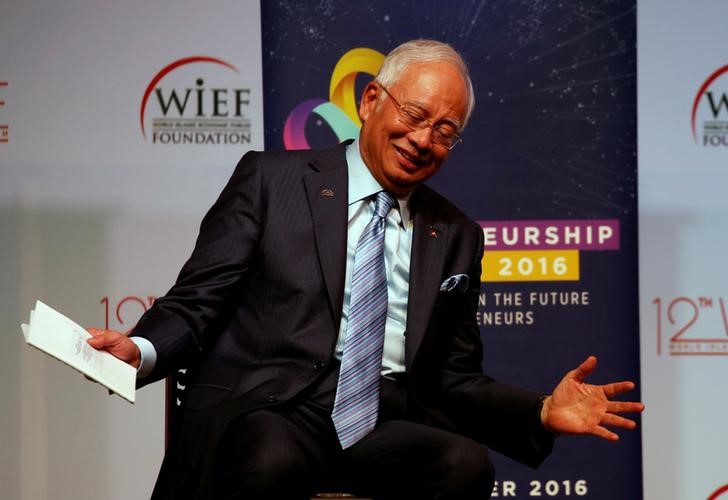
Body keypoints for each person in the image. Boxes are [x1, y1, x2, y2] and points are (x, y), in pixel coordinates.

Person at [87, 39, 643, 500]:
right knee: (271, 459)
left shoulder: (457, 235)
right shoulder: (272, 180)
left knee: (465, 464)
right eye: (415, 115)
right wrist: (141, 350)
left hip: (381, 421)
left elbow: (455, 377)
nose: (423, 139)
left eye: (445, 131)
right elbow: (197, 302)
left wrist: (543, 409)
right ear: (372, 99)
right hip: (274, 409)